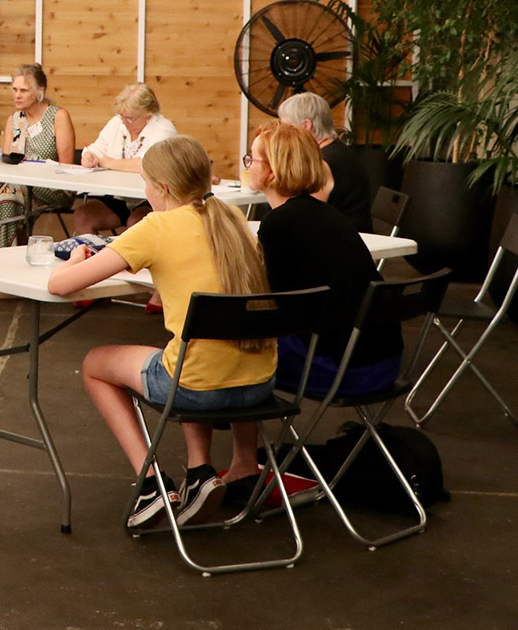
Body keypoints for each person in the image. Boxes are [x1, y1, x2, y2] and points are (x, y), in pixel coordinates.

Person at [47, 136, 274, 528]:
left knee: (96, 363)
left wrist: (69, 262)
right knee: (187, 348)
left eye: (146, 183)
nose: (145, 191)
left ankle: (150, 482)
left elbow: (62, 287)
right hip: (260, 384)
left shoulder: (157, 226)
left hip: (196, 386)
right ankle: (200, 471)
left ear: (163, 188)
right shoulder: (234, 220)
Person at [247, 121, 391, 400]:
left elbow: (270, 306)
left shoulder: (280, 225)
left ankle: (233, 433)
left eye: (252, 158)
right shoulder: (328, 215)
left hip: (346, 371)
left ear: (273, 172)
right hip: (382, 360)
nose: (248, 164)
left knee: (228, 350)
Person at [0, 63, 77, 248]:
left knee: (9, 196)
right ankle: (4, 246)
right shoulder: (14, 119)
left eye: (23, 90)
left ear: (40, 92)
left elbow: (67, 167)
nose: (17, 95)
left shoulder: (58, 116)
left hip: (52, 185)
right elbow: (7, 163)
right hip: (20, 185)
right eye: (15, 89)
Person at [71, 83, 178, 235]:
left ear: (148, 114)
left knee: (137, 222)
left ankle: (128, 259)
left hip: (149, 199)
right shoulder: (117, 122)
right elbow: (95, 149)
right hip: (117, 196)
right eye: (122, 116)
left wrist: (108, 162)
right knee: (83, 217)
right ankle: (91, 256)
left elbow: (146, 164)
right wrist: (88, 157)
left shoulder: (164, 130)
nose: (124, 122)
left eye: (130, 118)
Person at [278, 91, 373, 233]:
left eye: (286, 127)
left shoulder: (323, 163)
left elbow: (304, 214)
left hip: (343, 242)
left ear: (305, 126)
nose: (281, 133)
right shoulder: (338, 151)